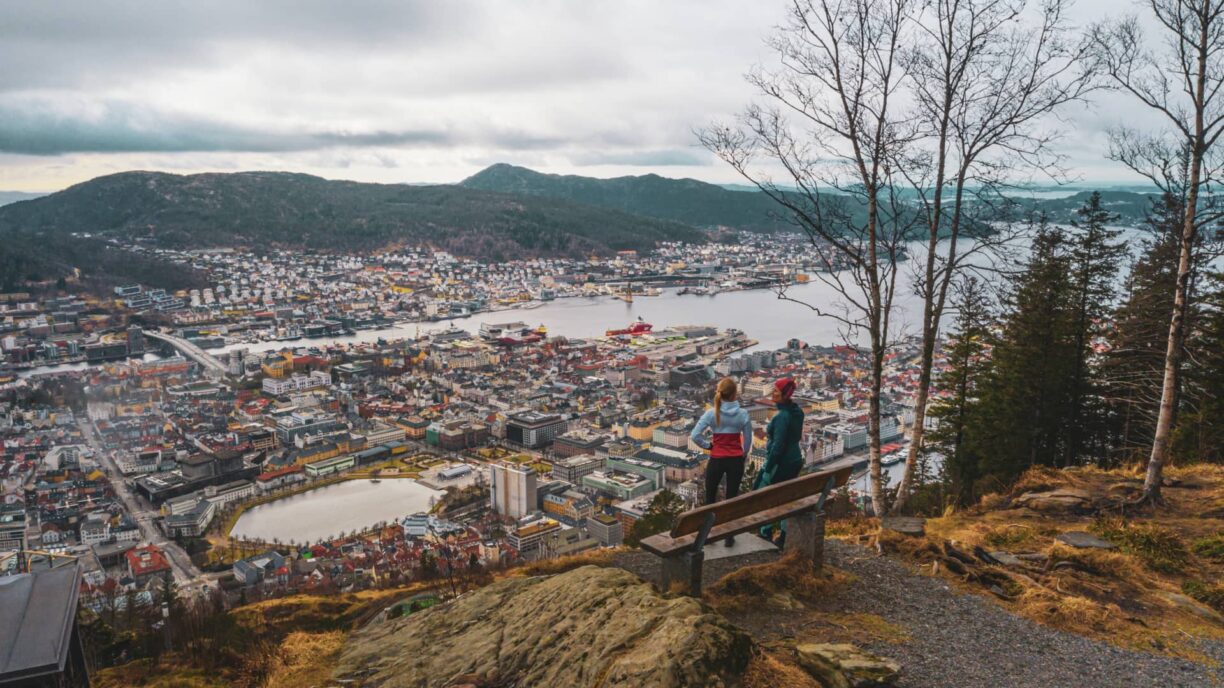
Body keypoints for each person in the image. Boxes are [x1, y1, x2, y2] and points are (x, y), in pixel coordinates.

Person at [690, 377, 753, 545]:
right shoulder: (743, 414)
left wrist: (709, 446)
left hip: (716, 459)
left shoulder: (712, 413)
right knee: (731, 499)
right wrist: (743, 453)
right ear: (734, 394)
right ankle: (728, 536)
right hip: (735, 461)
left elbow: (694, 435)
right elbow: (747, 440)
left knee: (710, 497)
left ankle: (708, 536)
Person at [756, 377, 805, 545]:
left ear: (784, 395)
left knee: (765, 495)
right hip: (795, 459)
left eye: (775, 391)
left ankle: (765, 532)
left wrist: (768, 468)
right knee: (787, 496)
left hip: (781, 463)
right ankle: (784, 534)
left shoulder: (781, 417)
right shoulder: (797, 412)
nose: (772, 393)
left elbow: (778, 446)